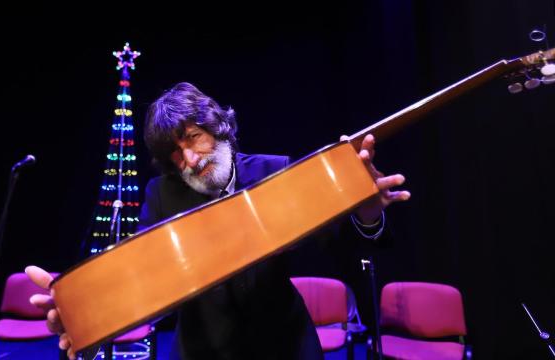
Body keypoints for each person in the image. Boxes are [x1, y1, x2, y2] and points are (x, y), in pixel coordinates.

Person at [26, 82, 410, 359]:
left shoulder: (273, 171)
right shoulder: (162, 194)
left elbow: (339, 241)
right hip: (201, 351)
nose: (190, 160)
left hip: (286, 346)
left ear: (218, 127)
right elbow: (142, 278)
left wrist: (366, 211)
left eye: (193, 138)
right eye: (176, 154)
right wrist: (84, 311)